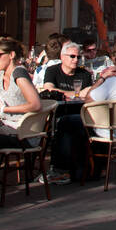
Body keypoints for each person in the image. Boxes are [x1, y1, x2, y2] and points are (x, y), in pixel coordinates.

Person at [40, 41, 92, 185]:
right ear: (62, 57)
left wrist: (65, 93)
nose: (76, 60)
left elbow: (88, 94)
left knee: (71, 126)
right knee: (63, 125)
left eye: (78, 57)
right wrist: (75, 93)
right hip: (57, 113)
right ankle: (65, 169)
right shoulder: (52, 71)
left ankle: (66, 169)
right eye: (72, 56)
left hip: (79, 113)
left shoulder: (84, 74)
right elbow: (49, 90)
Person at [0, 37, 43, 149]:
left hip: (25, 133)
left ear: (11, 55)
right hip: (6, 128)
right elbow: (1, 102)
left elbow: (36, 105)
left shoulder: (19, 74)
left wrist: (4, 109)